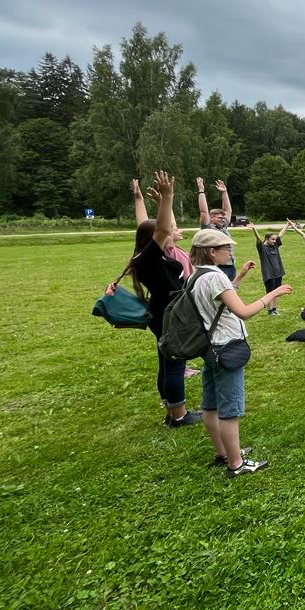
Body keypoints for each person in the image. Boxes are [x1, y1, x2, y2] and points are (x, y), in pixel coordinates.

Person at [189, 227, 292, 477]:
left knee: (211, 405)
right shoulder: (215, 277)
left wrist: (241, 276)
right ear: (212, 252)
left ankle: (222, 453)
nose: (230, 252)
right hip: (227, 347)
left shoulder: (197, 276)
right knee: (229, 409)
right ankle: (236, 464)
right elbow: (243, 311)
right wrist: (273, 294)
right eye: (226, 248)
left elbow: (220, 298)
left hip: (209, 347)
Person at [118, 171, 202, 428]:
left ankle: (171, 409)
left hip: (163, 314)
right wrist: (168, 196)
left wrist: (150, 201)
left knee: (166, 363)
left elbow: (150, 225)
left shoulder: (148, 255)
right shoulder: (149, 259)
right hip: (170, 316)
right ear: (153, 238)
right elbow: (162, 227)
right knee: (175, 364)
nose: (171, 231)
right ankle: (179, 416)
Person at [132, 178, 192, 279]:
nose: (179, 230)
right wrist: (166, 197)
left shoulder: (172, 249)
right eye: (173, 229)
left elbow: (148, 227)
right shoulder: (166, 252)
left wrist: (140, 199)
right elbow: (155, 228)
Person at [247, 220, 289, 315]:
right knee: (270, 293)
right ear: (266, 239)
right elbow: (258, 239)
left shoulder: (274, 246)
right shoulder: (262, 248)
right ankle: (270, 310)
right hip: (269, 274)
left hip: (278, 273)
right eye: (272, 239)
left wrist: (286, 226)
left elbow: (280, 235)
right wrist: (254, 229)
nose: (275, 241)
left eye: (275, 240)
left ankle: (275, 309)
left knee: (277, 292)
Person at [197, 177, 235, 280]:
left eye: (223, 217)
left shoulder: (223, 227)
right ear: (211, 218)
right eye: (220, 217)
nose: (223, 219)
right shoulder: (208, 227)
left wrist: (224, 192)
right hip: (217, 266)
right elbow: (203, 211)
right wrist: (201, 190)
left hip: (230, 265)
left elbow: (228, 210)